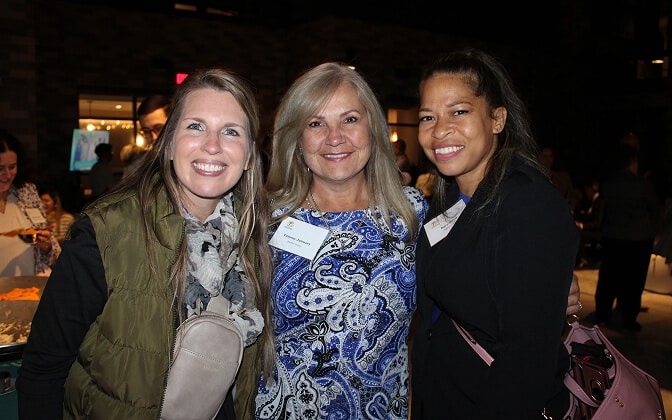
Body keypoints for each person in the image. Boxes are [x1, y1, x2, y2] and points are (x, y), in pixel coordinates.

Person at [17, 67, 274, 420]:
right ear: (168, 143)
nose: (212, 145)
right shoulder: (106, 234)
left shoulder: (255, 238)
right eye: (195, 126)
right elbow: (43, 369)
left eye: (230, 131)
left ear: (248, 157)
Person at [410, 48, 580, 419]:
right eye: (428, 116)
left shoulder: (528, 203)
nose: (440, 130)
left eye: (459, 111)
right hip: (442, 395)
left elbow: (527, 360)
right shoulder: (448, 198)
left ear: (498, 119)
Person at [255, 62, 429, 419]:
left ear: (373, 129)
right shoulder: (265, 219)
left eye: (349, 119)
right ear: (296, 138)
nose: (335, 137)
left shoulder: (411, 212)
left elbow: (463, 284)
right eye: (315, 123)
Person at [593, 142, 662, 332]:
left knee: (609, 277)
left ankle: (602, 313)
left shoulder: (610, 183)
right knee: (633, 280)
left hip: (613, 236)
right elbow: (656, 210)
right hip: (638, 240)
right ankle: (628, 318)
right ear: (633, 161)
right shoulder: (642, 185)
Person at [0, 129, 61, 276]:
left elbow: (54, 253)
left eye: (12, 167)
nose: (7, 175)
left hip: (31, 288)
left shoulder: (27, 192)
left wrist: (46, 246)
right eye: (0, 168)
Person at [540, 145, 576, 212]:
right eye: (544, 156)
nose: (548, 160)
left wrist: (568, 205)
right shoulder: (535, 176)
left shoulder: (563, 177)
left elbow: (572, 195)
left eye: (550, 156)